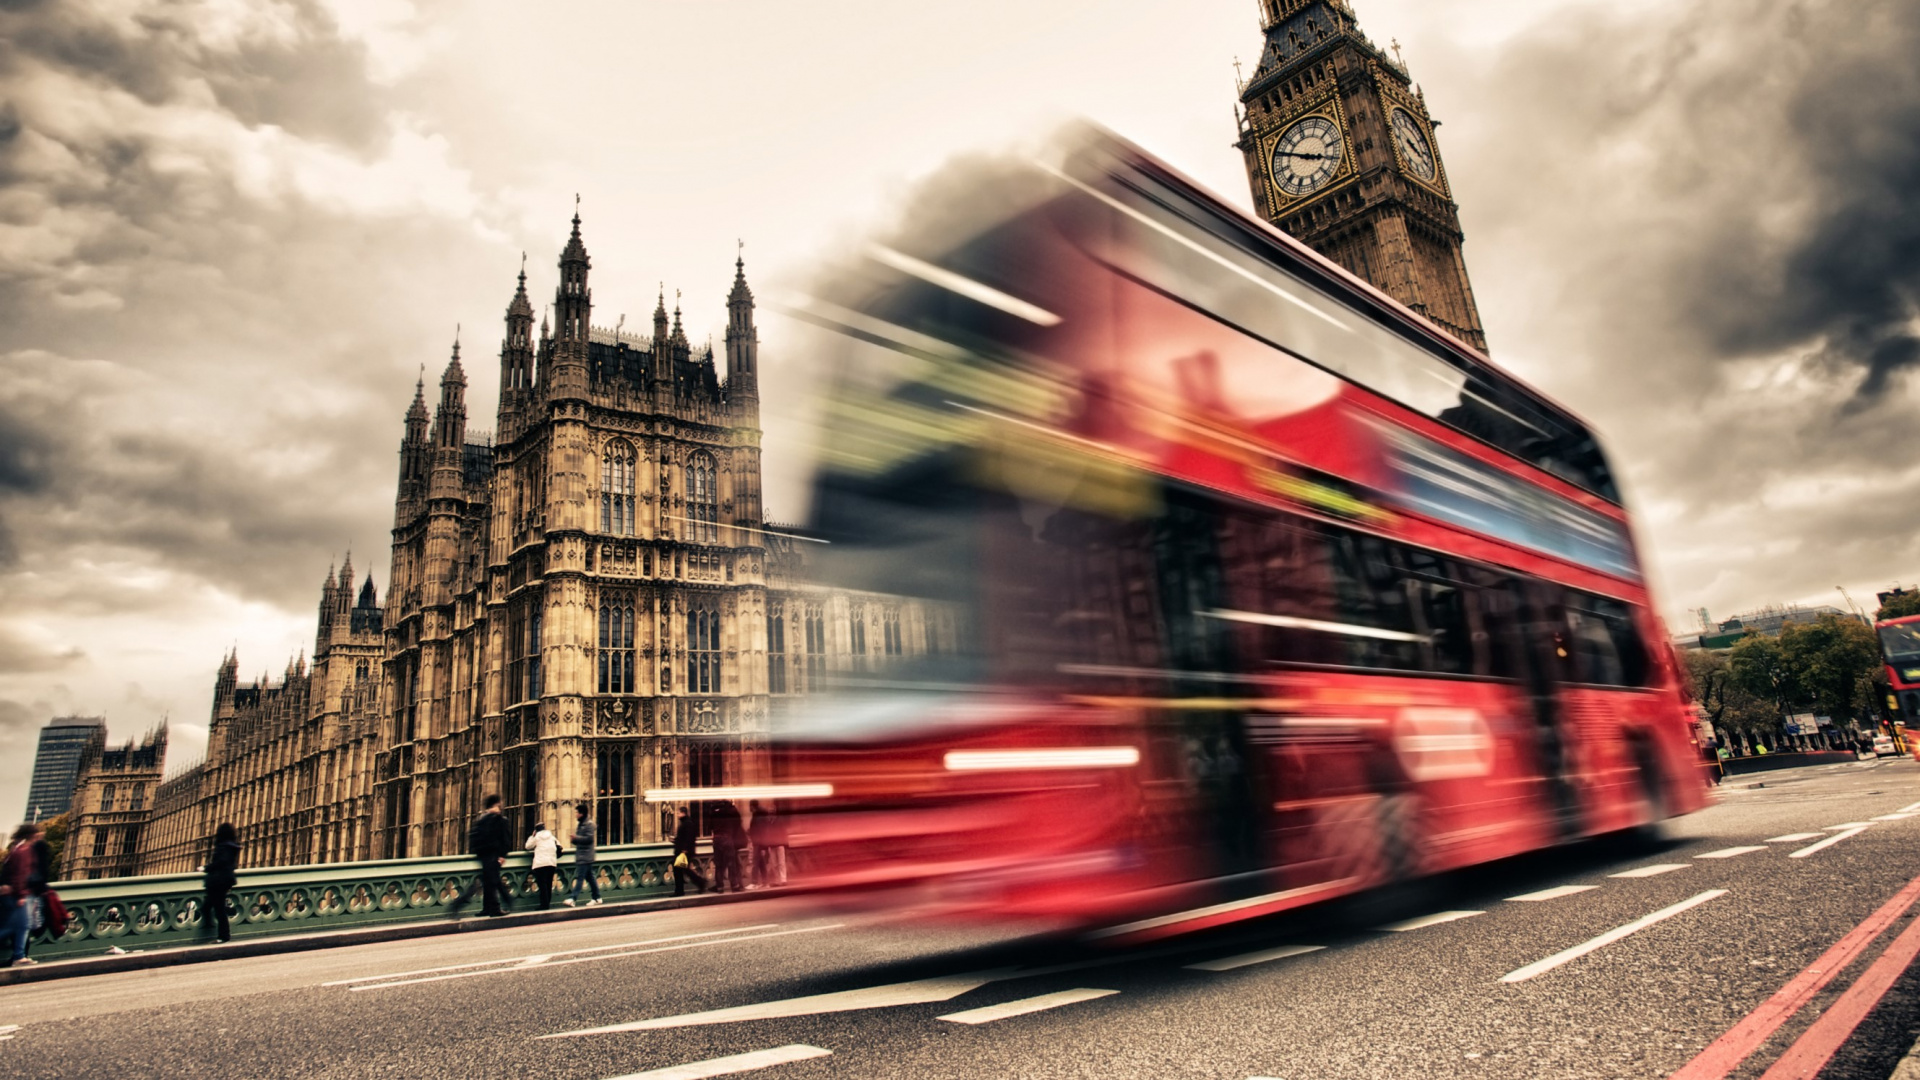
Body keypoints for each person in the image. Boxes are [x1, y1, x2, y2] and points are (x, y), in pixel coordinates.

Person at [447, 794, 512, 918]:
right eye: (498, 806)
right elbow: (505, 839)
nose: (500, 808)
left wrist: (480, 852)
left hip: (484, 856)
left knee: (488, 883)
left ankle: (487, 908)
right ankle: (460, 905)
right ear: (495, 805)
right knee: (491, 883)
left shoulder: (482, 820)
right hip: (491, 856)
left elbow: (474, 838)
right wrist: (502, 855)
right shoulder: (497, 820)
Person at [1, 825, 34, 967]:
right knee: (19, 926)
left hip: (10, 893)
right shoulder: (23, 851)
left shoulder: (15, 850)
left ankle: (19, 956)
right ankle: (19, 956)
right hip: (16, 895)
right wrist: (21, 894)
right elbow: (20, 875)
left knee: (18, 926)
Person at [203, 823, 241, 944]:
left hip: (219, 881)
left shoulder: (224, 847)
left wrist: (206, 868)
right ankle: (212, 930)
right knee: (208, 906)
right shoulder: (231, 846)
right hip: (224, 881)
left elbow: (221, 862)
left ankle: (223, 936)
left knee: (219, 909)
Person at [20, 823, 50, 958]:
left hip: (29, 892)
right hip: (30, 892)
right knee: (24, 925)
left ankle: (20, 955)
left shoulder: (37, 847)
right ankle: (20, 955)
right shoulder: (28, 848)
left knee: (24, 925)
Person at [565, 803, 601, 908]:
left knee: (580, 878)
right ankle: (597, 897)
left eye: (577, 812)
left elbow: (589, 839)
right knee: (590, 878)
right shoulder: (581, 824)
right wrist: (574, 840)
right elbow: (581, 840)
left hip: (586, 856)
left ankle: (573, 898)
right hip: (582, 855)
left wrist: (576, 838)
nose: (575, 815)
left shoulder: (589, 824)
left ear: (582, 813)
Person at [749, 801, 788, 889]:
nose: (770, 814)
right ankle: (777, 880)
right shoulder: (768, 822)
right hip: (772, 844)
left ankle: (783, 879)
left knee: (781, 862)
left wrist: (785, 843)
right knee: (774, 863)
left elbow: (783, 832)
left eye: (772, 812)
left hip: (779, 843)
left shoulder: (779, 820)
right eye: (770, 812)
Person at [670, 807, 708, 897]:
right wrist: (675, 840)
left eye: (678, 813)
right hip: (683, 851)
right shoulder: (685, 823)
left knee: (679, 870)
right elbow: (684, 837)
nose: (677, 815)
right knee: (683, 870)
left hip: (684, 852)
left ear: (683, 813)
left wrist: (685, 849)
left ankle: (681, 890)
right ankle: (700, 883)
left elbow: (689, 838)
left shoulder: (688, 823)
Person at [709, 800, 745, 893]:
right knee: (731, 863)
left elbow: (710, 825)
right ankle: (734, 885)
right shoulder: (731, 809)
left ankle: (719, 887)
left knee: (718, 864)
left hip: (717, 838)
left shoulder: (713, 809)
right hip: (727, 837)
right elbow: (738, 822)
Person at [526, 822, 559, 910]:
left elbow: (528, 846)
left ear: (536, 830)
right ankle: (547, 903)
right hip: (551, 863)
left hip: (540, 864)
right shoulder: (552, 837)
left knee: (542, 885)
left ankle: (544, 905)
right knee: (548, 884)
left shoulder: (536, 837)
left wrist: (532, 836)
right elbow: (559, 845)